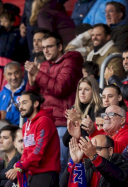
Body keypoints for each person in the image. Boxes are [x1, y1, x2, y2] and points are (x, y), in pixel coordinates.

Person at [25, 32, 84, 175]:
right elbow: (32, 97)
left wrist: (37, 74)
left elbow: (60, 89)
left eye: (49, 47)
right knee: (42, 164)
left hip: (62, 123)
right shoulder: (43, 65)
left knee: (61, 164)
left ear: (60, 46)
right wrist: (32, 82)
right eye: (43, 47)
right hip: (44, 122)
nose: (45, 50)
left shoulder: (71, 61)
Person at [64, 76, 103, 145]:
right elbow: (66, 142)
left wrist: (79, 121)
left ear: (94, 91)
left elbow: (92, 139)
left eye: (86, 89)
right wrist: (72, 124)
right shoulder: (73, 109)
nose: (82, 92)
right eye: (80, 89)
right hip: (76, 152)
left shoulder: (99, 109)